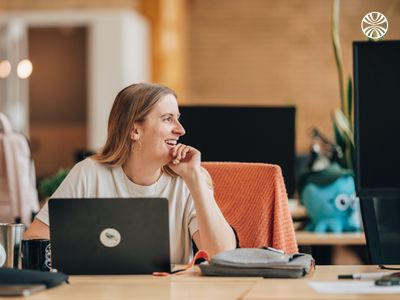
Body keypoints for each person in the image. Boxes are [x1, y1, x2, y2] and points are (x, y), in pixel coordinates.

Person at [25, 83, 237, 264]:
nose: (180, 130)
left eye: (177, 118)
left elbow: (223, 256)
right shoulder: (89, 173)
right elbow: (35, 239)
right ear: (134, 130)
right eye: (167, 119)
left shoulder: (186, 181)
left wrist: (195, 180)